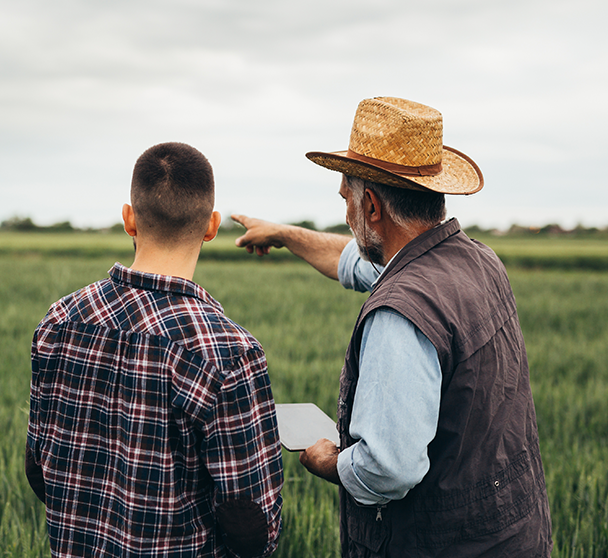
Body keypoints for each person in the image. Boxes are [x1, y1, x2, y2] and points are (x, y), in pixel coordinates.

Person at [232, 97, 552, 557]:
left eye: (347, 198)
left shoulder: (400, 313)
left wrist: (329, 461)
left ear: (373, 207)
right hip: (514, 537)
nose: (345, 213)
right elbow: (353, 262)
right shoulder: (476, 261)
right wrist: (284, 233)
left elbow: (388, 470)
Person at [25, 142, 283, 558]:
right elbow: (252, 526)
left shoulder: (58, 322)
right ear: (211, 226)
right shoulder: (230, 353)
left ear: (129, 219)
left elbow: (39, 470)